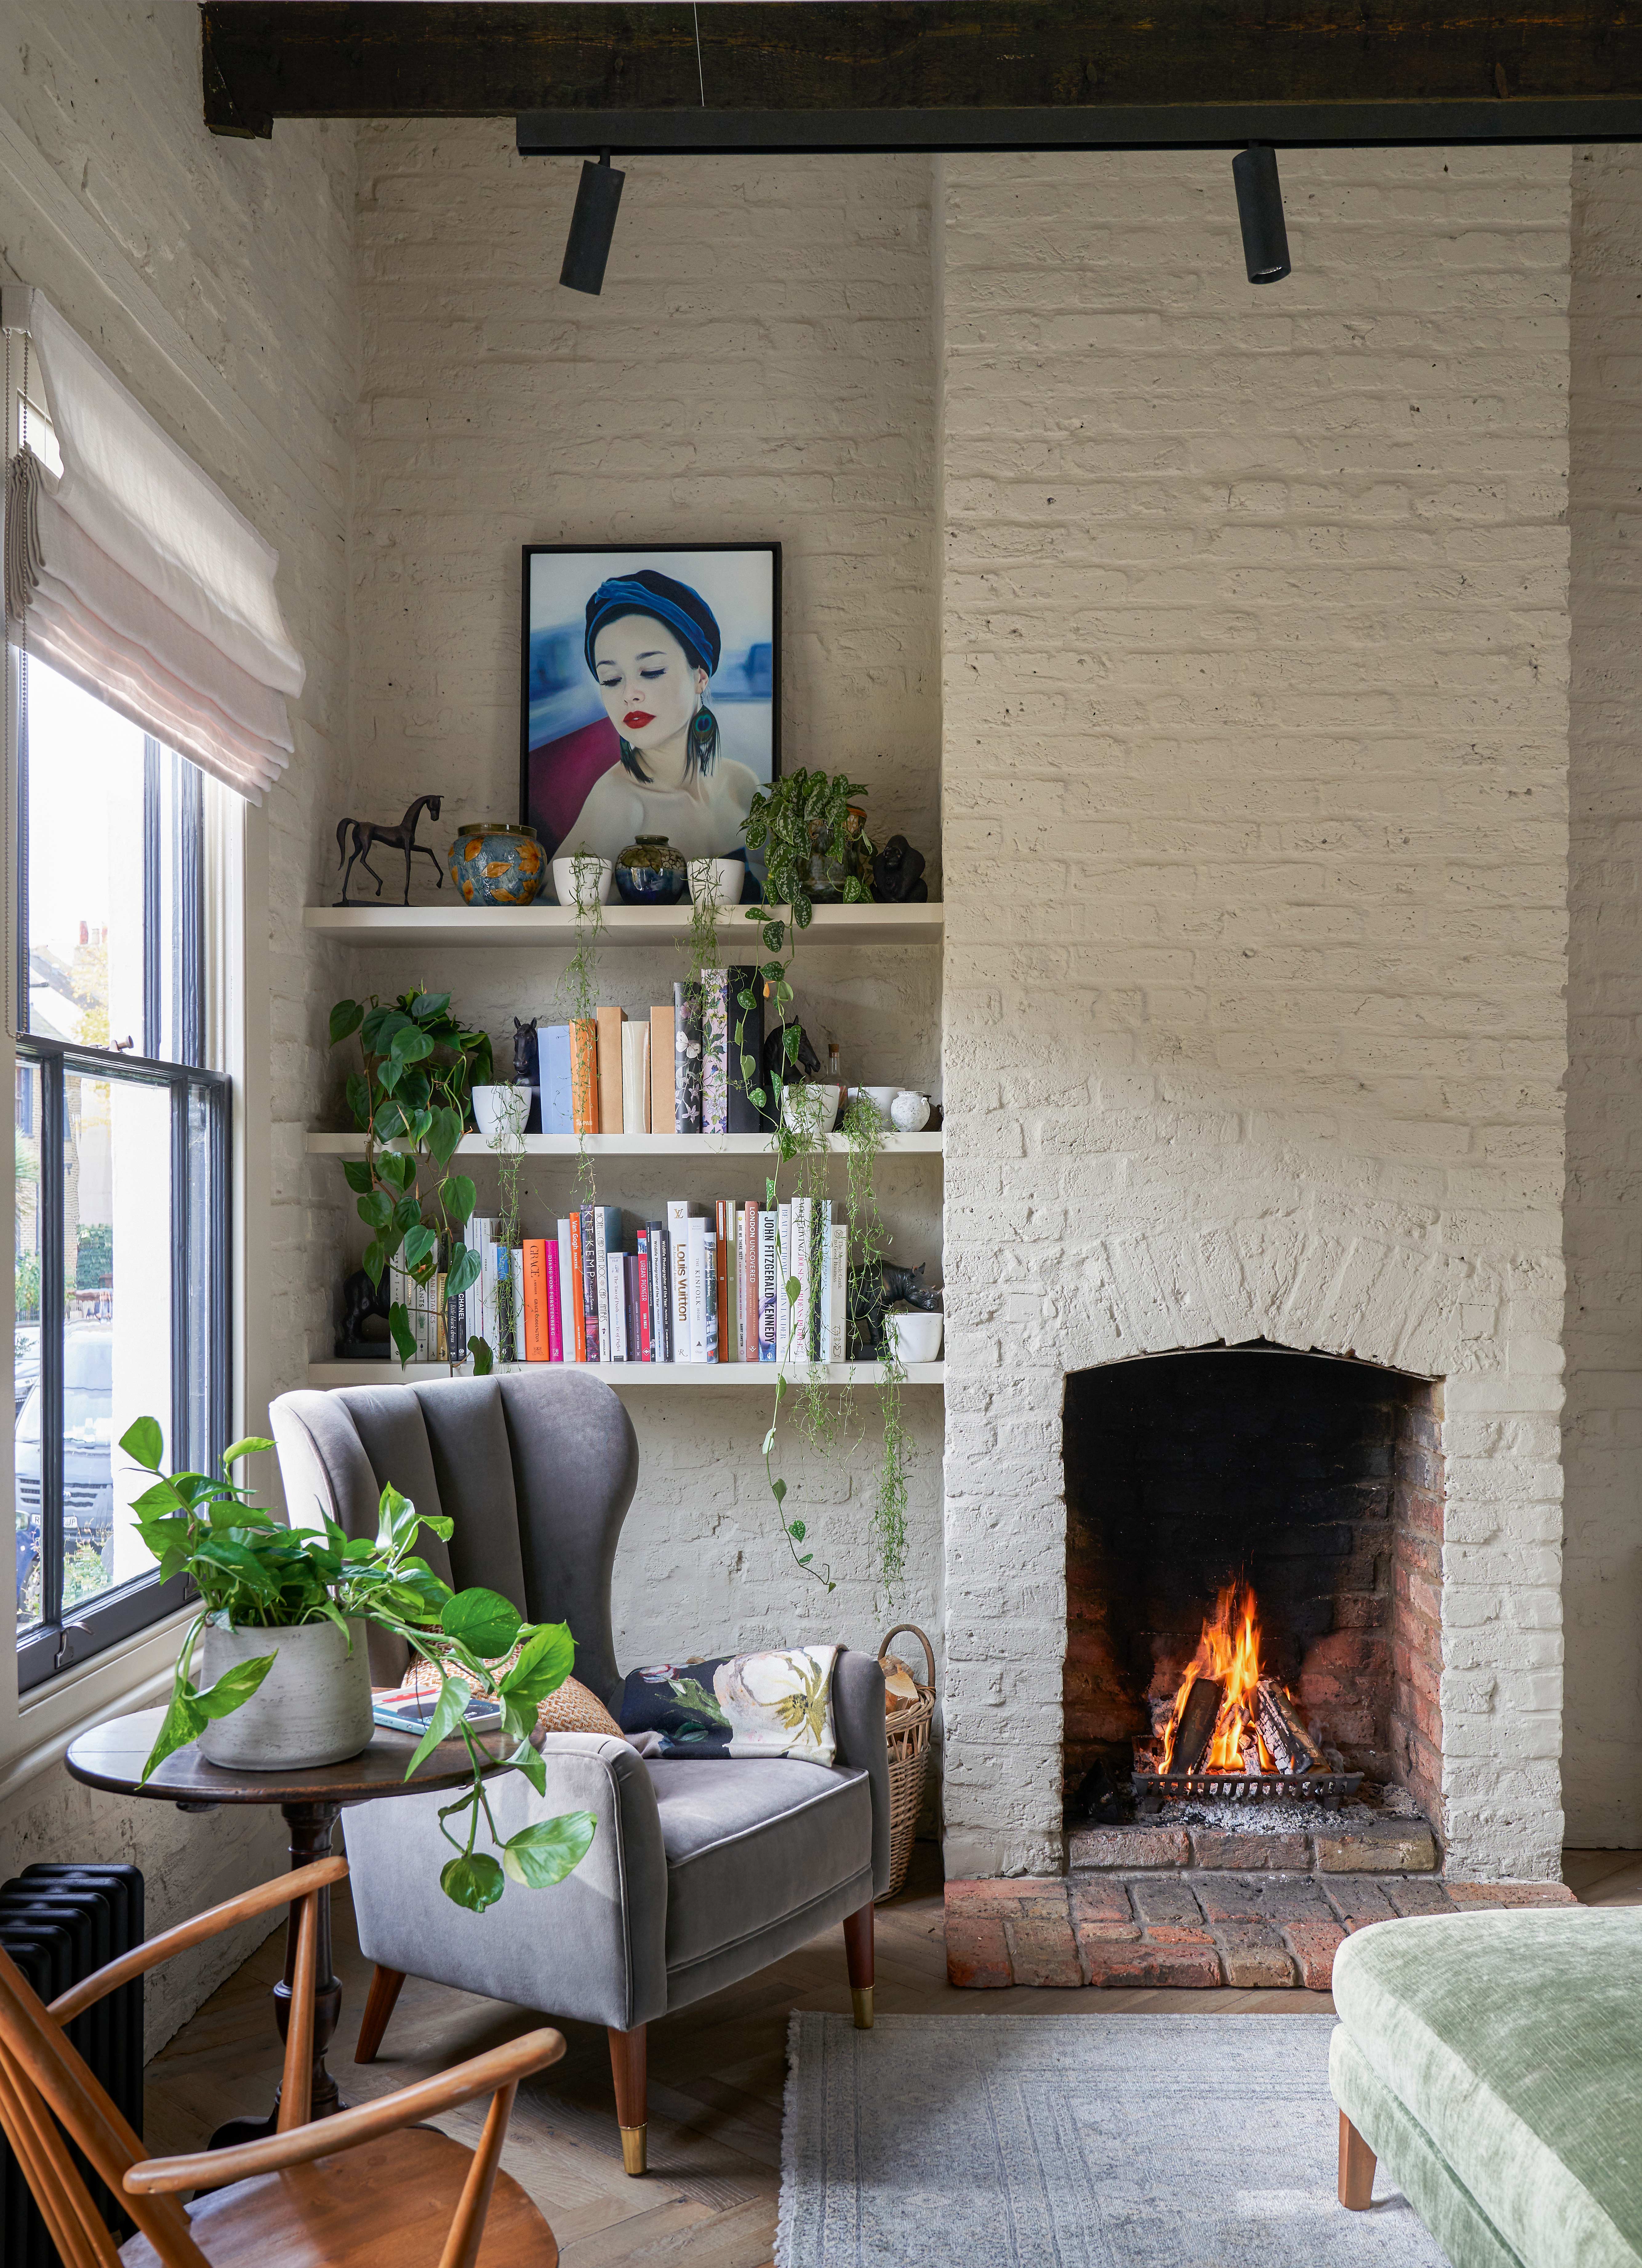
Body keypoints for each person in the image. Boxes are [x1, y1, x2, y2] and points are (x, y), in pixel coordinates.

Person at [562, 569, 760, 866]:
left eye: (652, 671)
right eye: (611, 679)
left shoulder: (742, 785)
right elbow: (547, 909)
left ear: (700, 678)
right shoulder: (617, 803)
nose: (629, 694)